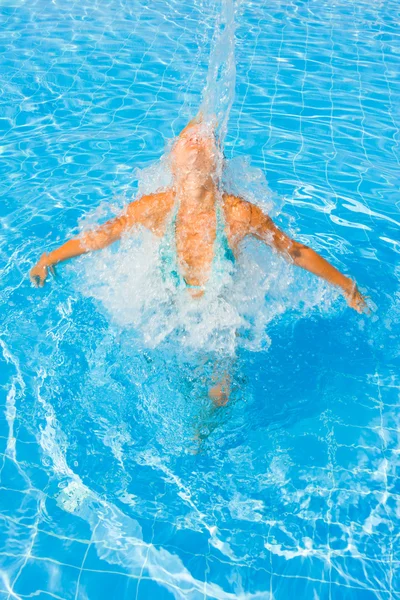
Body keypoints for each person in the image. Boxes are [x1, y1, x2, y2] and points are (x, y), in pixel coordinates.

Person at [30, 116, 367, 314]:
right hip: (169, 301)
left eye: (205, 139)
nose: (195, 138)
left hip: (220, 310)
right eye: (185, 137)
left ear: (217, 163)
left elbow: (293, 250)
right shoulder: (156, 206)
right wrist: (50, 258)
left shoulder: (238, 213)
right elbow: (102, 235)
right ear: (171, 161)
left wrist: (346, 286)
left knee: (219, 391)